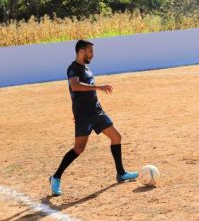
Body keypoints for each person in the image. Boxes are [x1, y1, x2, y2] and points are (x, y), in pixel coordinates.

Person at [49, 40, 138, 196]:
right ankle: (55, 177)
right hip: (83, 115)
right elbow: (75, 86)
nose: (93, 54)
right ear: (81, 52)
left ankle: (121, 173)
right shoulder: (73, 69)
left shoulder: (87, 69)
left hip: (97, 112)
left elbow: (87, 93)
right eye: (90, 51)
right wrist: (99, 87)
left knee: (116, 137)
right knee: (79, 148)